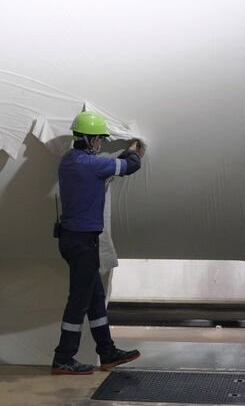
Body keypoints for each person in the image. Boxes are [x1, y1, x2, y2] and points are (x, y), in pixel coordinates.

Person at [51, 110, 144, 375]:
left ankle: (107, 351)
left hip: (72, 240)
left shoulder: (69, 160)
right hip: (82, 243)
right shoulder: (92, 164)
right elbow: (131, 166)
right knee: (79, 301)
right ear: (90, 140)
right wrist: (135, 148)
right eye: (99, 139)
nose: (101, 144)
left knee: (94, 299)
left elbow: (111, 165)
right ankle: (63, 359)